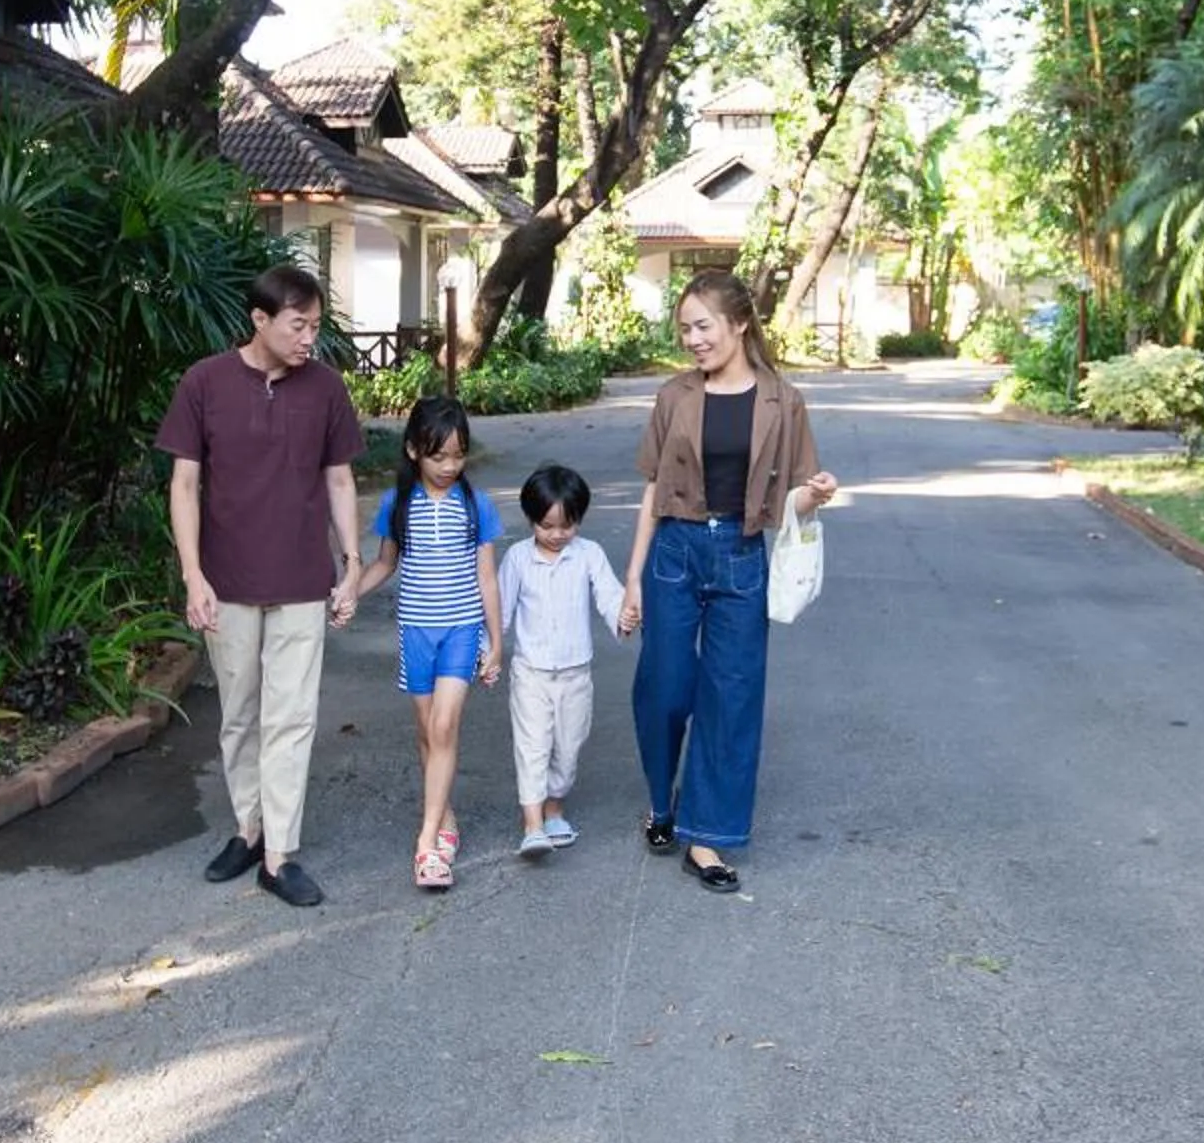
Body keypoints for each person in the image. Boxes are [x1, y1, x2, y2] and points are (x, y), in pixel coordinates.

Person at [617, 270, 839, 894]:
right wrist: (632, 578)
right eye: (685, 328)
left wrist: (815, 497)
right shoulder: (674, 396)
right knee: (665, 687)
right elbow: (653, 491)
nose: (692, 339)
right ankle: (663, 800)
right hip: (674, 553)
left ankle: (708, 837)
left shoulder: (783, 401)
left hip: (741, 557)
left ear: (739, 324)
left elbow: (792, 494)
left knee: (732, 696)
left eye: (703, 326)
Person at [156, 262, 364, 908]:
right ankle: (248, 829)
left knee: (292, 718)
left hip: (303, 579)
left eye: (316, 326)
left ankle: (279, 855)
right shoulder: (205, 383)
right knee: (240, 716)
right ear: (260, 320)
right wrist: (193, 575)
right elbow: (184, 484)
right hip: (227, 580)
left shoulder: (326, 389)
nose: (310, 339)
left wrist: (352, 563)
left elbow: (339, 480)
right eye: (299, 326)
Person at [350, 396, 503, 891]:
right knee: (427, 733)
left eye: (459, 455)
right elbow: (384, 564)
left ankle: (427, 843)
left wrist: (496, 642)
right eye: (439, 456)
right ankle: (447, 818)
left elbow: (487, 577)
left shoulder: (475, 505)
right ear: (414, 450)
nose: (450, 466)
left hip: (461, 630)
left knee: (443, 725)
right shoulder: (398, 503)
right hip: (416, 631)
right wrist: (347, 590)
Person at [498, 463, 626, 859]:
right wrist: (488, 652)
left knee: (568, 748)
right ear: (531, 519)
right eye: (547, 526)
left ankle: (555, 809)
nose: (556, 535)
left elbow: (610, 596)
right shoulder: (518, 558)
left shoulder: (589, 555)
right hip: (531, 672)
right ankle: (533, 824)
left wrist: (626, 615)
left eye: (566, 526)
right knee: (533, 745)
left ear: (579, 520)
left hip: (575, 673)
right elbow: (500, 610)